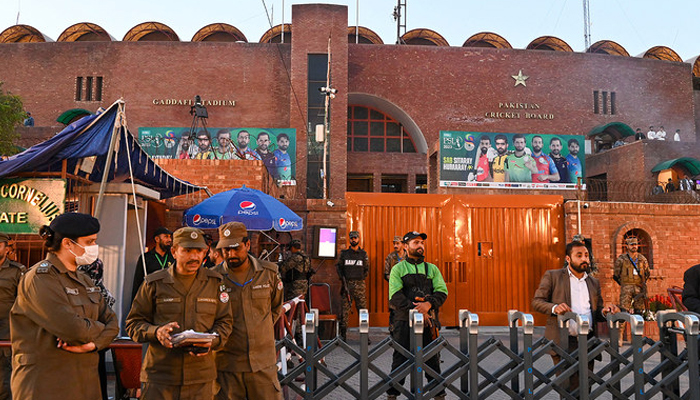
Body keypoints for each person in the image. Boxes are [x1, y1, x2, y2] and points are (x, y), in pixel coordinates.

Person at [11, 213, 119, 400]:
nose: (94, 248)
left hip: (84, 383)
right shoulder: (40, 278)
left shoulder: (84, 279)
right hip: (46, 384)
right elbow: (72, 329)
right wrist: (100, 330)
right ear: (68, 243)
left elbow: (113, 323)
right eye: (89, 242)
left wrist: (93, 344)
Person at [126, 227, 233, 400]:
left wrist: (213, 341)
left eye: (199, 251)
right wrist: (156, 332)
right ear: (174, 251)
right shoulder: (154, 283)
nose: (194, 257)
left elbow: (225, 322)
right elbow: (133, 324)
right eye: (187, 250)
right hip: (161, 378)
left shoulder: (215, 283)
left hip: (200, 379)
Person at [532, 240, 618, 392]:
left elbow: (597, 312)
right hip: (563, 341)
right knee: (567, 389)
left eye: (586, 255)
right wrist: (555, 307)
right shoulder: (554, 276)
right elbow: (537, 302)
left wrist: (605, 312)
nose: (584, 259)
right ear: (568, 259)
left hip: (588, 341)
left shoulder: (593, 282)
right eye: (579, 255)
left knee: (586, 388)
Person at [211, 221, 284, 400]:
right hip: (227, 366)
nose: (231, 254)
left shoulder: (269, 273)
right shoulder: (212, 278)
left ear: (248, 245)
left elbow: (275, 309)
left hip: (262, 366)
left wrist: (258, 329)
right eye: (226, 249)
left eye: (236, 248)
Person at [387, 231, 448, 400]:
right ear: (406, 247)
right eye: (415, 242)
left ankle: (439, 395)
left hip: (429, 323)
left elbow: (442, 291)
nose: (420, 245)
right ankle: (392, 395)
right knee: (400, 360)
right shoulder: (398, 269)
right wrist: (419, 310)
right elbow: (395, 296)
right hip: (403, 322)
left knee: (432, 360)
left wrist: (428, 305)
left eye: (421, 242)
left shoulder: (432, 269)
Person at [0, 233, 25, 400]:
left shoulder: (17, 271)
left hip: (6, 331)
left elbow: (24, 302)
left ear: (6, 248)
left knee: (4, 374)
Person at [613, 237, 650, 343]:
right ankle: (620, 336)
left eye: (635, 244)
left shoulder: (642, 259)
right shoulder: (621, 259)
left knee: (639, 313)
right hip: (626, 287)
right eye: (631, 244)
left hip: (639, 287)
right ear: (627, 246)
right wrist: (624, 284)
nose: (634, 246)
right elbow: (616, 274)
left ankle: (637, 337)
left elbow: (647, 273)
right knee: (623, 311)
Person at [336, 230, 369, 341]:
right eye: (352, 238)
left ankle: (365, 335)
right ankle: (343, 334)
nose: (353, 240)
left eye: (355, 238)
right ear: (349, 239)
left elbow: (366, 270)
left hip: (360, 285)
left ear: (358, 239)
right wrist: (344, 280)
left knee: (363, 311)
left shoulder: (363, 254)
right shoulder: (344, 254)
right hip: (347, 285)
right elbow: (339, 268)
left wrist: (359, 279)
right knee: (345, 311)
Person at [131, 227, 175, 303]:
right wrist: (135, 302)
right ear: (157, 239)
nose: (170, 240)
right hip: (151, 299)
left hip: (169, 299)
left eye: (170, 237)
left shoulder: (174, 257)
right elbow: (138, 281)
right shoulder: (146, 257)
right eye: (166, 237)